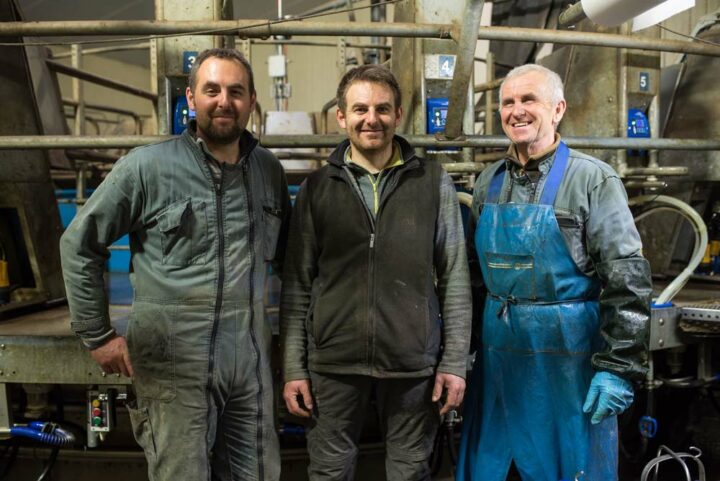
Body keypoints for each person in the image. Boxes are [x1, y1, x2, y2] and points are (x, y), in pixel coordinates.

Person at [60, 48, 290, 481]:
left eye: (236, 91)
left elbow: (289, 263)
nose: (224, 101)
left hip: (249, 362)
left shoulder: (267, 170)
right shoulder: (146, 167)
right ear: (190, 98)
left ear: (252, 101)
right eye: (212, 90)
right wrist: (98, 335)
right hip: (172, 362)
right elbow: (79, 243)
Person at [456, 63, 652, 481]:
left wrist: (618, 368)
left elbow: (627, 279)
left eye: (529, 99)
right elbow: (474, 278)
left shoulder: (593, 180)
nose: (516, 110)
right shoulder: (487, 182)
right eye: (508, 102)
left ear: (558, 109)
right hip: (498, 361)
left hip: (568, 363)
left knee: (571, 469)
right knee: (492, 468)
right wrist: (462, 354)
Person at [280, 65, 471, 481]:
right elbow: (296, 284)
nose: (372, 119)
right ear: (342, 117)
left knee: (410, 473)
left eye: (382, 109)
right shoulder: (317, 188)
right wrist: (294, 367)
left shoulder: (432, 181)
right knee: (329, 473)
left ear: (398, 115)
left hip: (412, 365)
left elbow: (454, 276)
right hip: (333, 364)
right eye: (361, 109)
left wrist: (454, 361)